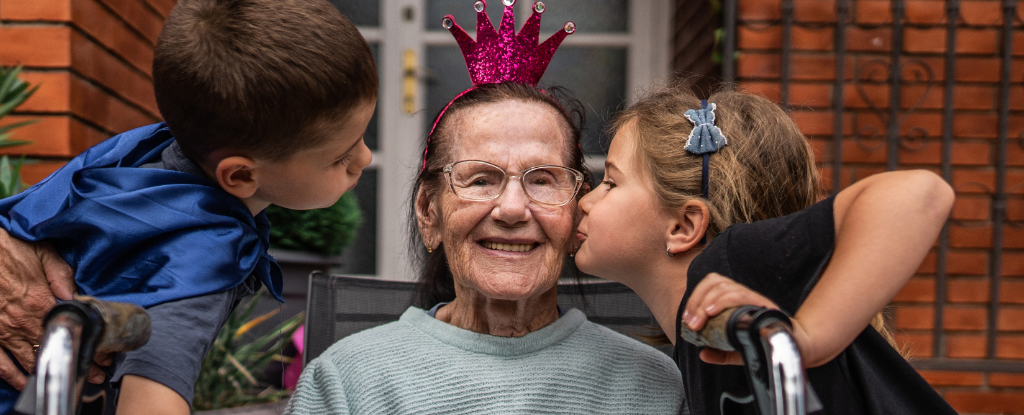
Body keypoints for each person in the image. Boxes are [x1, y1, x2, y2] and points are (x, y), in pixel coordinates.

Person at [286, 2, 683, 414]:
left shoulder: (652, 384)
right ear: (429, 212)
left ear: (576, 213)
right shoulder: (348, 380)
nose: (512, 209)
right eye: (480, 180)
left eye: (543, 180)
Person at [0, 0, 377, 413]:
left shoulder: (145, 151)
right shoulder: (200, 256)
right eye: (340, 158)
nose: (365, 158)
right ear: (240, 177)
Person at [574, 83, 958, 414]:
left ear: (684, 226)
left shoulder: (728, 263)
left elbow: (921, 194)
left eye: (610, 182)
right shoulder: (696, 337)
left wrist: (809, 338)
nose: (586, 202)